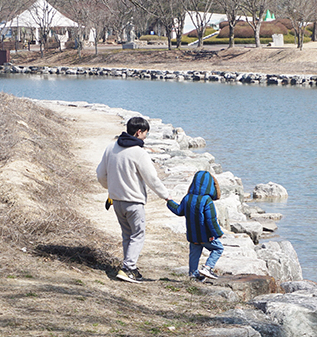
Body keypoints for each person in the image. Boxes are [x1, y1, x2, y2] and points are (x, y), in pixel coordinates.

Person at [96, 116, 170, 283]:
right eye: (145, 134)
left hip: (116, 201)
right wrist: (166, 196)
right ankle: (128, 268)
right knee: (138, 234)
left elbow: (100, 174)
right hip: (134, 202)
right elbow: (152, 178)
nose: (145, 137)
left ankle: (130, 267)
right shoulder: (139, 152)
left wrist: (110, 188)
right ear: (139, 132)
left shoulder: (111, 148)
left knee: (127, 235)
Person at [167, 170, 224, 280]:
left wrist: (170, 201)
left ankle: (193, 274)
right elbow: (211, 220)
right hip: (206, 236)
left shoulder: (187, 198)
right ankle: (207, 268)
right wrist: (217, 233)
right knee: (218, 249)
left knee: (194, 254)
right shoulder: (207, 200)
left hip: (193, 236)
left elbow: (179, 211)